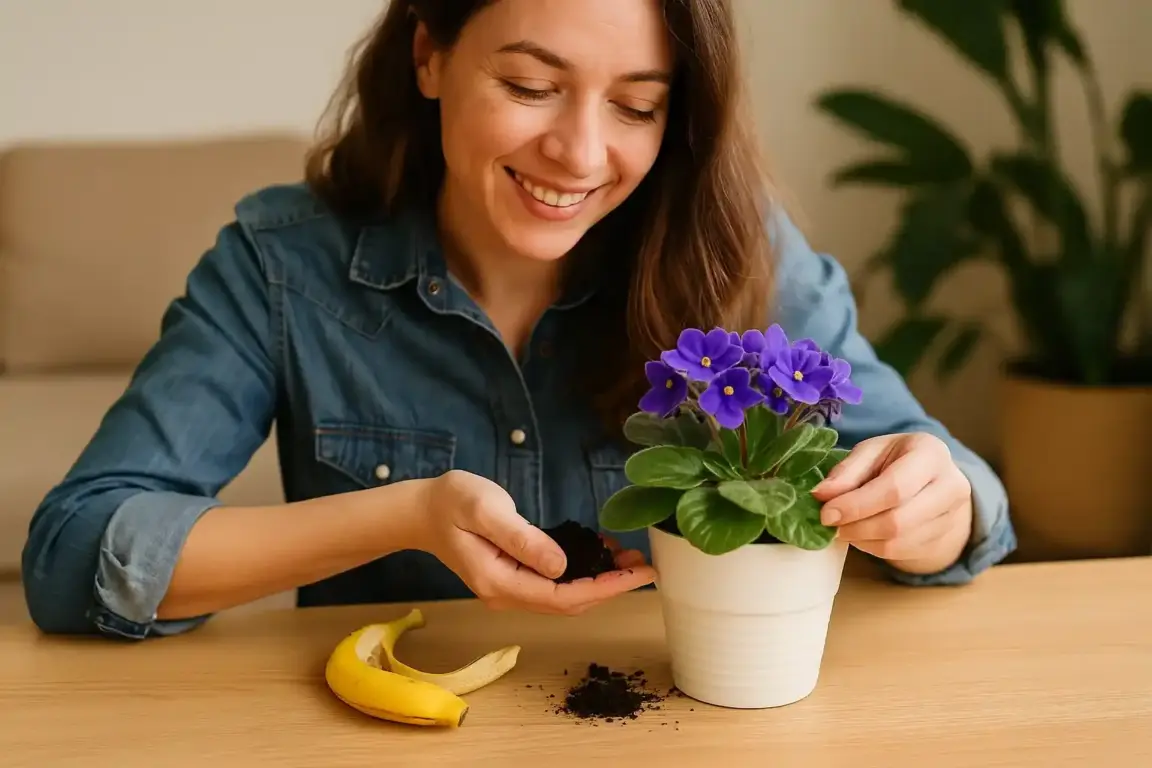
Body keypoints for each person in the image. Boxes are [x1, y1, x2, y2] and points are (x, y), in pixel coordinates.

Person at [21, 0, 1016, 640]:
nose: (580, 154)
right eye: (531, 86)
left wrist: (941, 507)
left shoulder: (737, 252)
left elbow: (958, 496)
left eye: (637, 107)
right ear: (429, 54)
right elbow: (75, 554)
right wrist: (404, 515)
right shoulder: (283, 268)